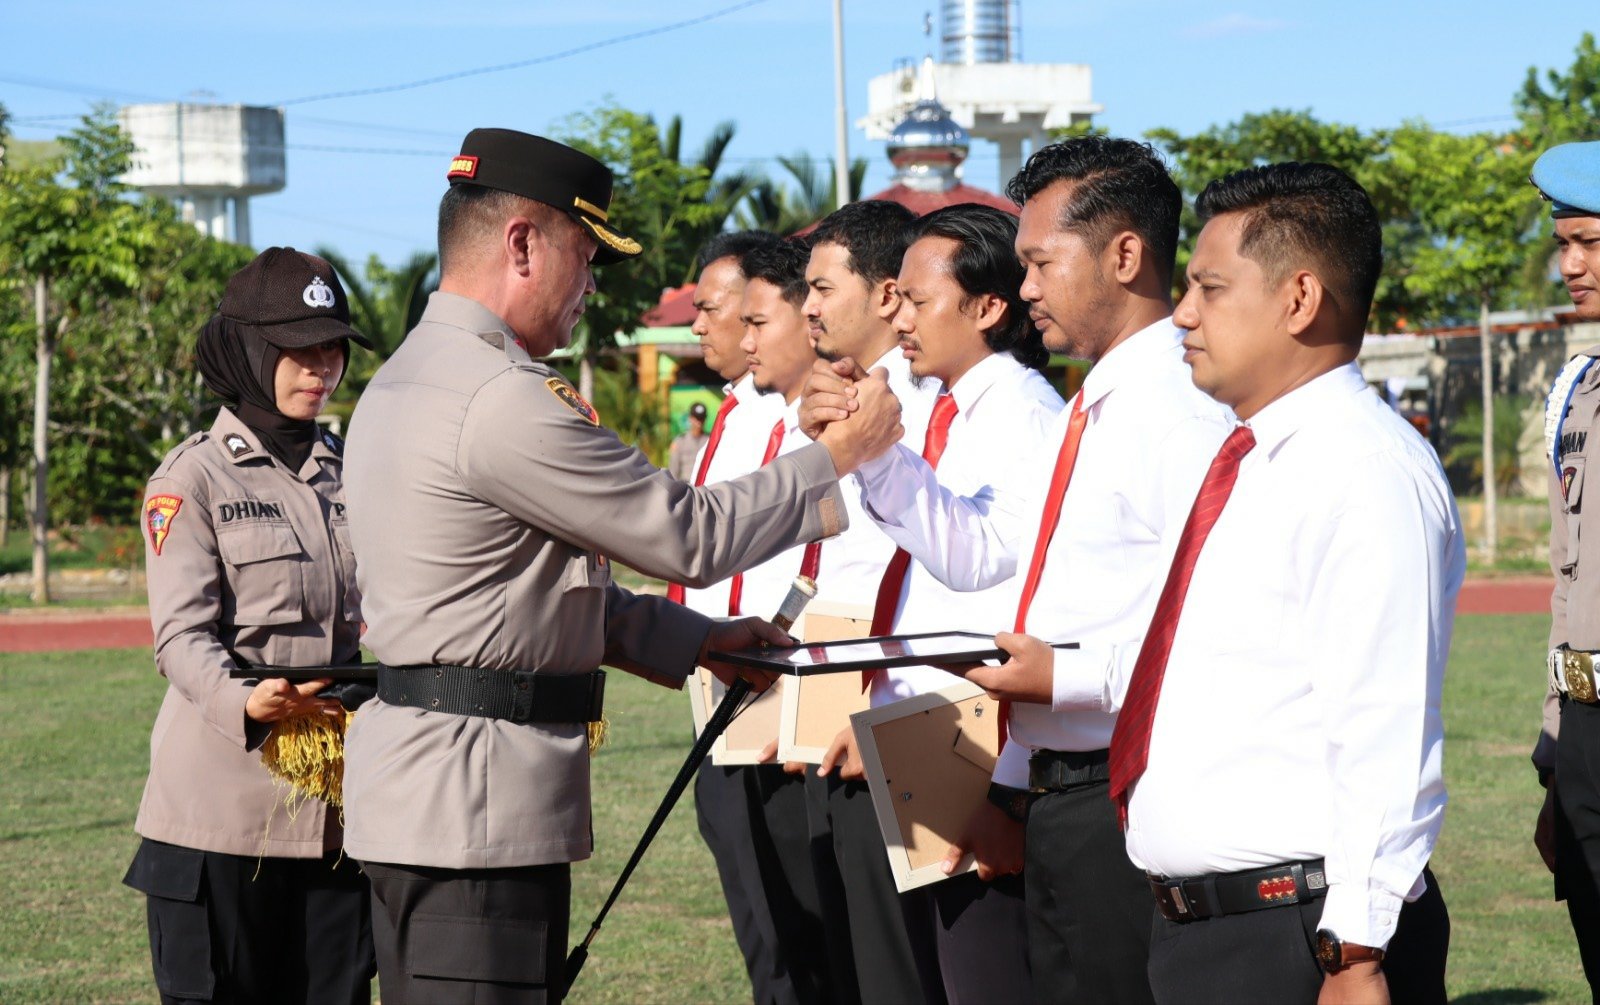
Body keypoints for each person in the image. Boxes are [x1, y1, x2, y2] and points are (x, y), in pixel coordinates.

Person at [339, 129, 898, 1004]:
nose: (593, 281)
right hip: (473, 807)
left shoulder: (412, 375)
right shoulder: (499, 397)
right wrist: (836, 458)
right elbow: (689, 534)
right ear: (522, 243)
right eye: (585, 253)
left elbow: (516, 596)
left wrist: (701, 638)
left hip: (434, 796)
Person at [987, 162, 1460, 1003]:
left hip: (1297, 932)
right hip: (1210, 932)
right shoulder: (1247, 459)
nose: (1183, 313)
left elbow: (1384, 722)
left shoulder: (1363, 468)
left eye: (1209, 288)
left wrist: (1355, 952)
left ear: (1299, 298)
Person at [806, 137, 1227, 1005]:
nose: (1029, 284)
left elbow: (1201, 627)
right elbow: (988, 556)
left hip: (1118, 782)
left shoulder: (1173, 413)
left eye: (1041, 261)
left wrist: (1058, 681)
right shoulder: (1096, 403)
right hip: (1054, 776)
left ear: (1123, 254)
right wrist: (880, 454)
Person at [121, 247, 377, 1005]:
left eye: (331, 347)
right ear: (248, 348)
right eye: (298, 349)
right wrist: (244, 701)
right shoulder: (191, 477)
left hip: (332, 817)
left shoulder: (352, 469)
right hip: (221, 814)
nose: (320, 368)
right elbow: (179, 636)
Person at [838, 202, 1061, 1003]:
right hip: (933, 745)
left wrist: (877, 457)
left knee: (984, 972)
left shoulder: (1023, 415)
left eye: (919, 301)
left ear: (988, 307)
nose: (900, 319)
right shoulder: (956, 410)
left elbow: (984, 568)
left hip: (980, 755)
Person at [784, 200, 942, 1004]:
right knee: (842, 967)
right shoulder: (824, 403)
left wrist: (874, 706)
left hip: (898, 725)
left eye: (821, 286)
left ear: (886, 294)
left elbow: (939, 578)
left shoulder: (927, 410)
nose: (806, 306)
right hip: (826, 713)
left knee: (901, 974)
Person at [672, 230, 805, 1005]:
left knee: (793, 918)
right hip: (717, 684)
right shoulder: (738, 411)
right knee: (756, 908)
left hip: (769, 689)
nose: (703, 326)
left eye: (715, 309)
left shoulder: (786, 415)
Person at [1532, 139, 1600, 997]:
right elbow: (1567, 581)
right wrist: (1557, 746)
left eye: (1589, 241)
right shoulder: (1575, 391)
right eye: (1563, 244)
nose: (1570, 265)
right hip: (1586, 723)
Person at [668, 401, 709, 480]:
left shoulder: (709, 441)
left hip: (705, 487)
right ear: (690, 418)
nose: (699, 422)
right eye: (696, 418)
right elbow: (673, 469)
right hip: (686, 486)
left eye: (701, 419)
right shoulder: (680, 441)